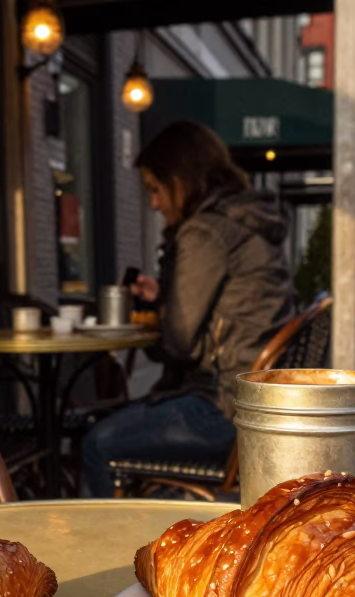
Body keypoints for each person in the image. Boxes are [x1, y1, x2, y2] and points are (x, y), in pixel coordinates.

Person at [80, 120, 289, 497]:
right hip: (260, 404)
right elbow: (227, 307)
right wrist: (167, 296)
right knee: (113, 421)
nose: (156, 204)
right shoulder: (243, 222)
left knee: (98, 443)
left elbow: (178, 343)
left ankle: (104, 552)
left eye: (156, 190)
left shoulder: (205, 232)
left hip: (226, 407)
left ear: (181, 179)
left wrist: (154, 311)